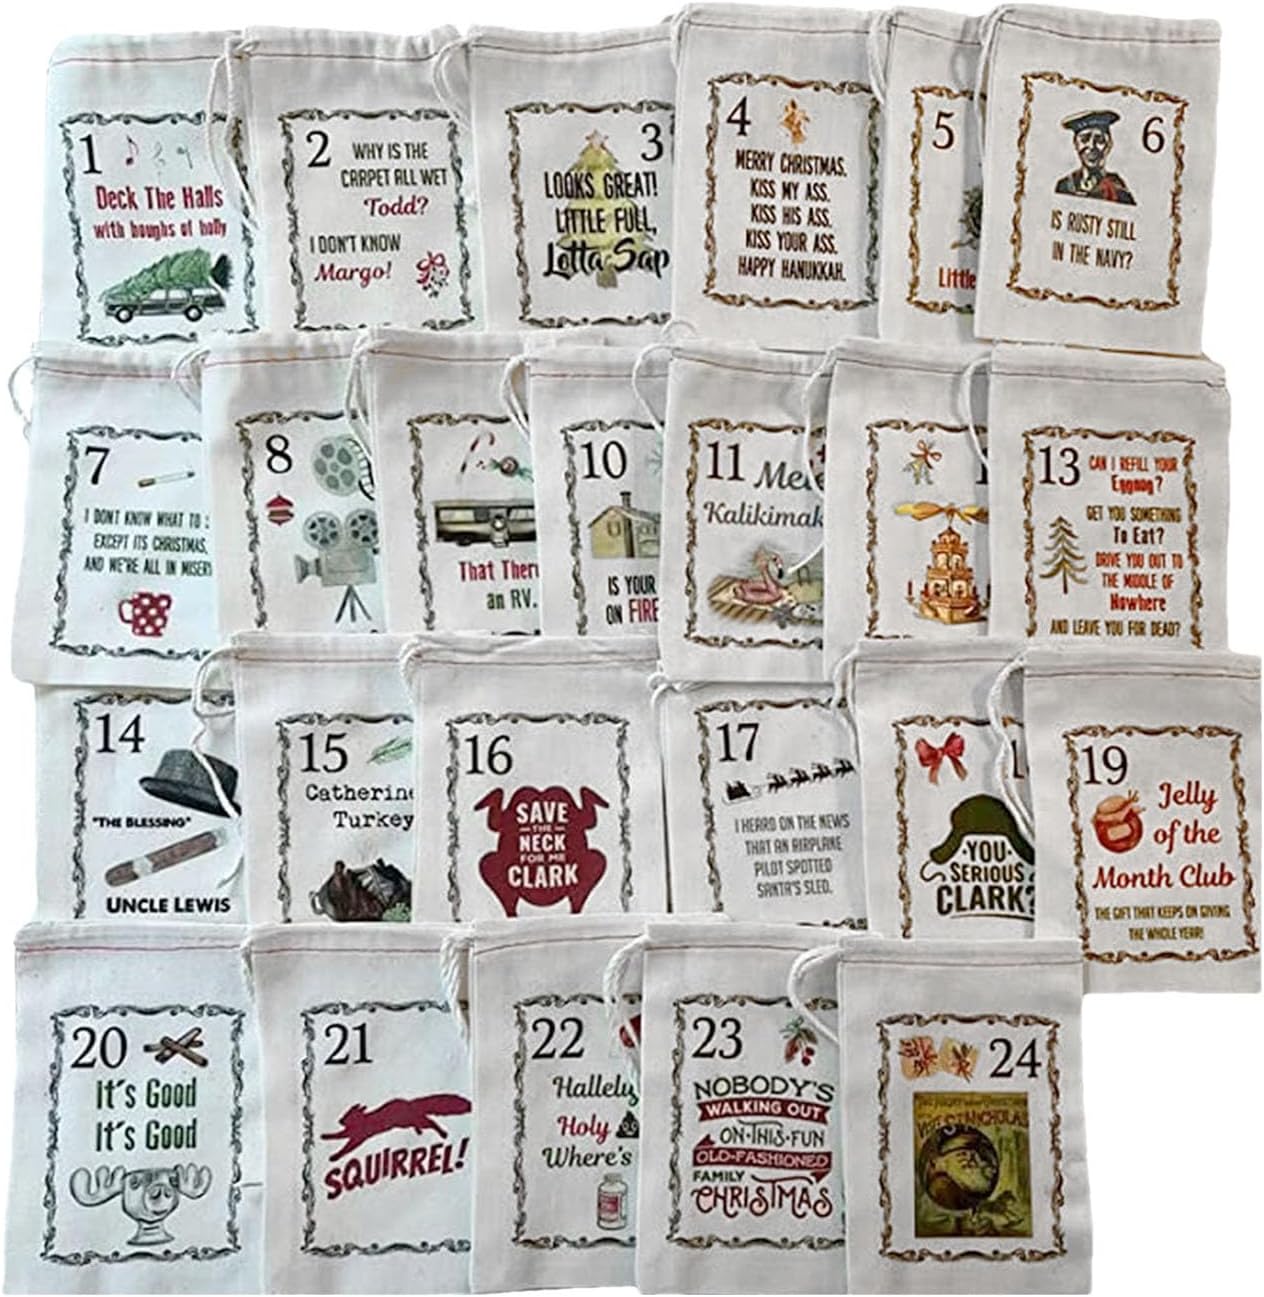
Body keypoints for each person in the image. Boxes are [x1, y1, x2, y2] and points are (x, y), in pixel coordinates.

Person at [1054, 109, 1136, 205]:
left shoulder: (1117, 190)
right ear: (1076, 144)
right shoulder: (1065, 185)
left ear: (1109, 145)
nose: (1091, 146)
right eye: (1084, 139)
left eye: (1099, 140)